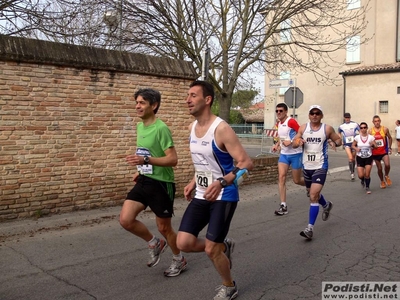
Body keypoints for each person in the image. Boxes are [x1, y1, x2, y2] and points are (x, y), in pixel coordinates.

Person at [177, 80, 254, 300]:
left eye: (193, 95)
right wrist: (194, 181)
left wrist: (222, 181)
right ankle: (223, 244)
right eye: (187, 95)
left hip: (224, 195)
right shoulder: (191, 128)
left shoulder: (221, 129)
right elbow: (203, 162)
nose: (187, 100)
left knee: (211, 250)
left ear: (207, 99)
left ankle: (229, 285)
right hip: (202, 193)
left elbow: (246, 162)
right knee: (184, 242)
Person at [119, 88, 187, 277]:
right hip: (144, 178)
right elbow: (145, 153)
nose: (137, 106)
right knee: (125, 219)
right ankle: (154, 242)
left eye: (142, 102)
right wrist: (140, 169)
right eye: (137, 102)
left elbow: (173, 160)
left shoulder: (161, 128)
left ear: (154, 105)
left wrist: (145, 162)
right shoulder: (140, 126)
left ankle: (178, 259)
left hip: (162, 183)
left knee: (164, 227)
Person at [292, 105, 342, 240]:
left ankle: (309, 228)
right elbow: (294, 142)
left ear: (321, 115)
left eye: (317, 113)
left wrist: (334, 142)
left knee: (313, 195)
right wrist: (298, 141)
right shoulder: (303, 128)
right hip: (306, 166)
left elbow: (339, 140)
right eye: (312, 113)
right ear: (309, 115)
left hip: (320, 165)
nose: (314, 115)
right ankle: (326, 205)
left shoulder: (327, 128)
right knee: (311, 192)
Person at [271, 103, 305, 216]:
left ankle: (309, 185)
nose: (278, 113)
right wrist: (277, 145)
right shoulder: (278, 124)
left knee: (297, 181)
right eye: (277, 111)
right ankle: (283, 205)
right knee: (281, 177)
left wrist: (291, 142)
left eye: (281, 111)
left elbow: (301, 135)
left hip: (296, 154)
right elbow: (281, 138)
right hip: (284, 155)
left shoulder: (291, 122)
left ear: (286, 111)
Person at [351, 122, 377, 194]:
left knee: (367, 174)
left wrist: (373, 144)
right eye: (361, 128)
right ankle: (362, 180)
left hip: (369, 157)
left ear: (367, 128)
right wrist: (356, 149)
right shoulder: (357, 137)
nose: (363, 129)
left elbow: (376, 146)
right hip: (360, 157)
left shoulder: (371, 137)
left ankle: (367, 187)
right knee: (360, 175)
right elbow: (353, 145)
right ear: (360, 129)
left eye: (364, 127)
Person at [368, 115, 393, 189]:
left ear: (380, 121)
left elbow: (390, 138)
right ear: (373, 122)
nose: (377, 122)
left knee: (387, 165)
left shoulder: (385, 129)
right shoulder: (370, 131)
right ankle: (382, 181)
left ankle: (386, 175)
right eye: (375, 121)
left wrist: (389, 147)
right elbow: (369, 141)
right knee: (379, 168)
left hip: (384, 151)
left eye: (378, 121)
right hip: (375, 153)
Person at [338, 113, 360, 181]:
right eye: (346, 118)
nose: (347, 119)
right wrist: (340, 140)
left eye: (348, 117)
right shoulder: (341, 126)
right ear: (344, 118)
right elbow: (339, 133)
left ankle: (352, 169)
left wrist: (359, 139)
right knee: (350, 158)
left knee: (353, 158)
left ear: (350, 117)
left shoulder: (355, 124)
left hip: (353, 144)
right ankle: (352, 173)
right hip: (346, 144)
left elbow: (360, 131)